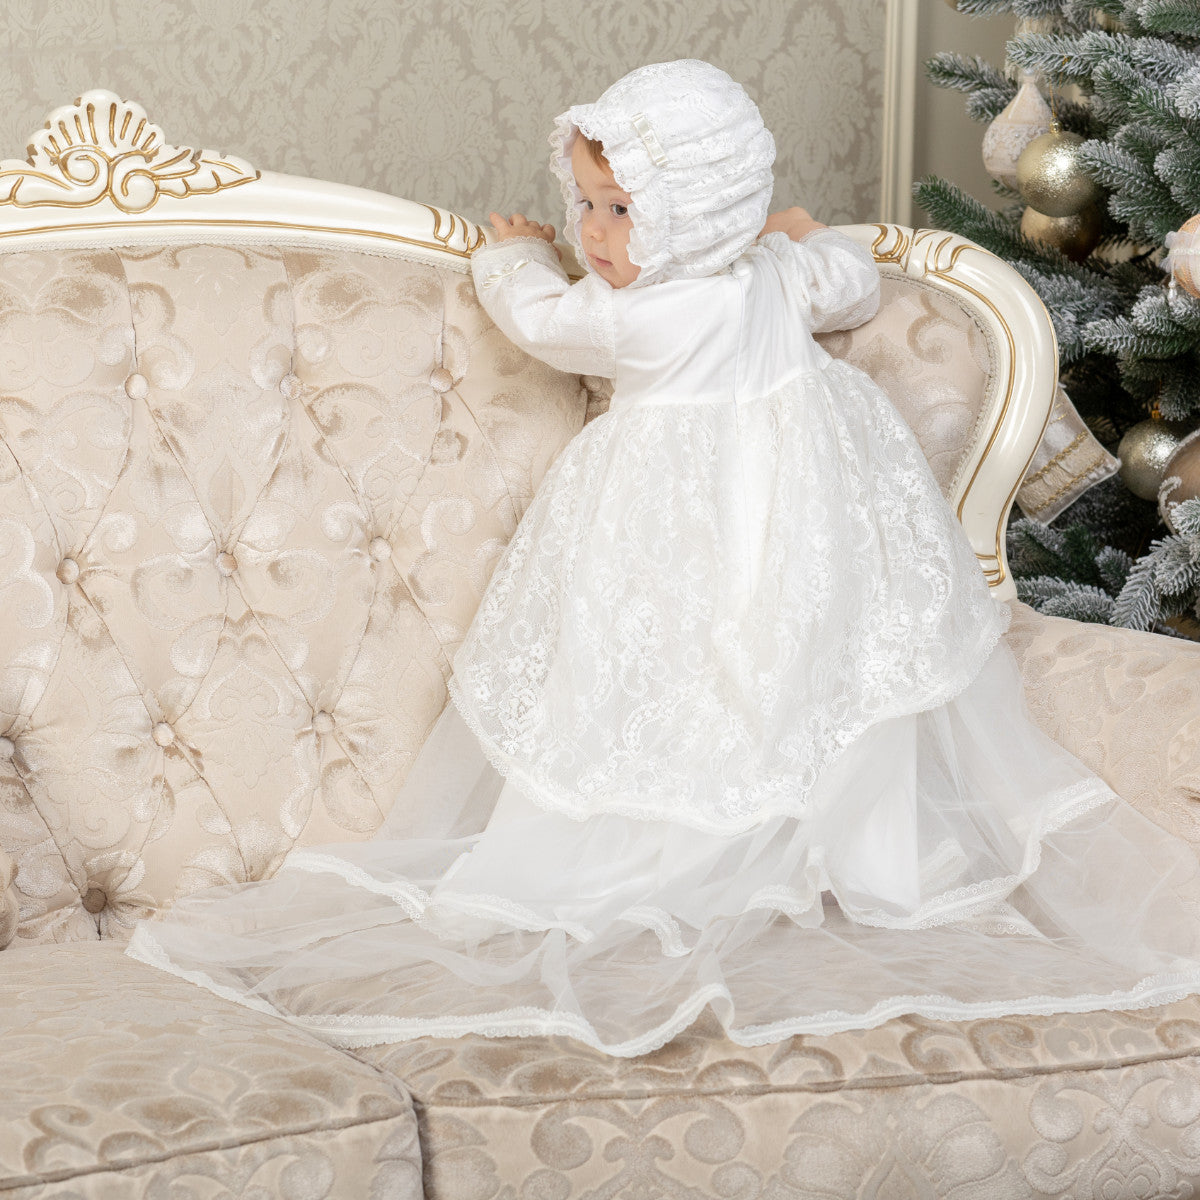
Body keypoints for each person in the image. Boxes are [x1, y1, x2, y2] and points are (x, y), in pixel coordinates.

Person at [128, 59, 1200, 1057]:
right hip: (806, 519)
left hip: (678, 510)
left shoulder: (642, 318)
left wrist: (508, 254)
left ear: (698, 213)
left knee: (659, 671)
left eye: (621, 211)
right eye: (584, 206)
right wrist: (797, 233)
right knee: (803, 673)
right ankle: (855, 851)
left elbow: (543, 318)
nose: (592, 234)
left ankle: (687, 854)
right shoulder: (773, 277)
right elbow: (849, 283)